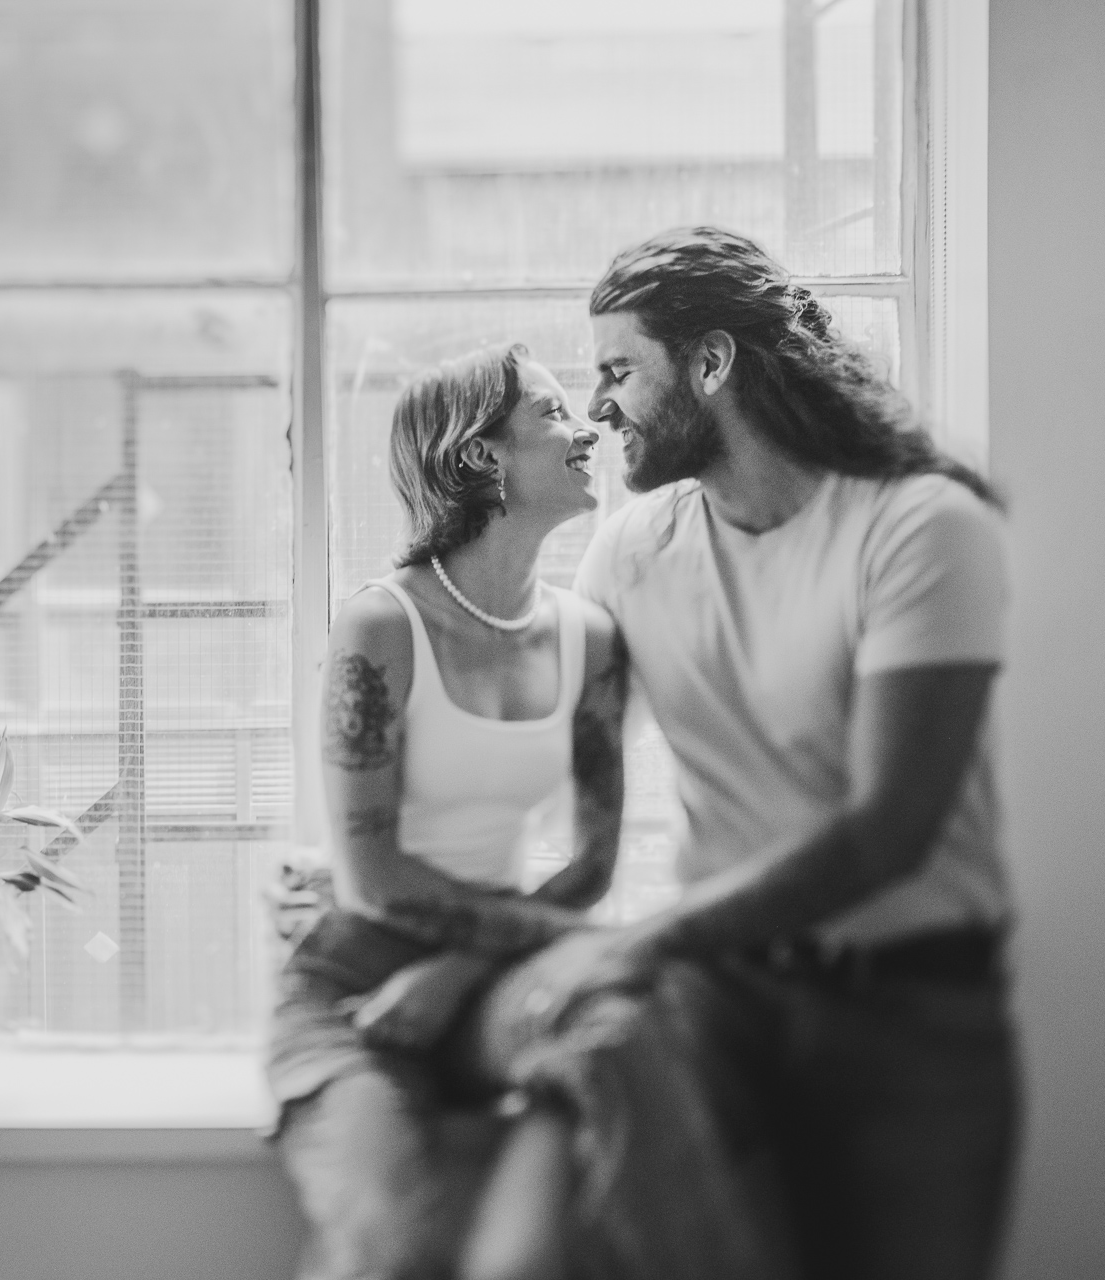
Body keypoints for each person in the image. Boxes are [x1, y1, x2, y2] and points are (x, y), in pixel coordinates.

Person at [557, 225, 1022, 1280]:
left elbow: (887, 831)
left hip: (911, 1025)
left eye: (618, 370)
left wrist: (651, 937)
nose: (596, 407)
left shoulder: (922, 528)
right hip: (715, 1013)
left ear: (712, 363)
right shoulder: (632, 547)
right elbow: (559, 757)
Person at [267, 341, 632, 1280]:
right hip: (352, 987)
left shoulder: (591, 640)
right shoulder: (381, 626)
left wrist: (459, 971)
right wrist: (445, 967)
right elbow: (371, 877)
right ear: (481, 457)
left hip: (495, 972)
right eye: (552, 414)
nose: (587, 426)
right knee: (391, 1248)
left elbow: (591, 867)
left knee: (600, 1131)